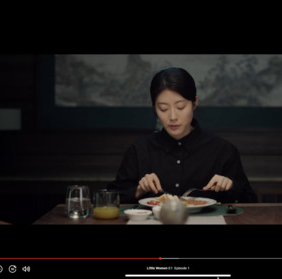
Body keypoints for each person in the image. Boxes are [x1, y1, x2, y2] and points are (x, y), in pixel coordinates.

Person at [108, 67, 258, 204]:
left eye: (180, 107)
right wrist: (139, 190)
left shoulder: (223, 150)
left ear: (194, 103)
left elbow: (251, 202)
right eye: (163, 109)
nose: (173, 117)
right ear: (154, 107)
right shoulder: (138, 151)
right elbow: (111, 198)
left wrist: (230, 186)